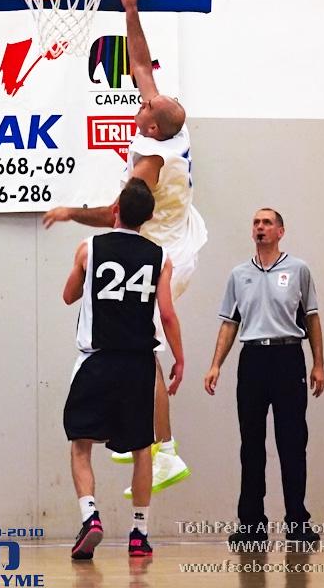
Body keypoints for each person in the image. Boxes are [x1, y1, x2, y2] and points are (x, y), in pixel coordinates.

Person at [44, 0, 207, 496]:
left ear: (152, 126)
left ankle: (165, 452)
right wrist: (130, 8)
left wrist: (70, 212)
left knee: (145, 348)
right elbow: (140, 63)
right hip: (168, 234)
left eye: (147, 103)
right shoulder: (163, 126)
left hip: (166, 250)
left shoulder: (152, 162)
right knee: (133, 346)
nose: (143, 96)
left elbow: (116, 213)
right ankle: (137, 432)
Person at [62, 178, 184, 559]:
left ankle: (90, 516)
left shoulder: (89, 248)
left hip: (97, 360)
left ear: (115, 210)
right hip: (138, 364)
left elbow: (68, 296)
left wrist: (85, 275)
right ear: (148, 218)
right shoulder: (160, 257)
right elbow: (167, 314)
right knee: (142, 449)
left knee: (81, 444)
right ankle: (139, 534)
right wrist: (179, 358)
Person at [204, 208, 324, 545]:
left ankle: (297, 523)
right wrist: (216, 364)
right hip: (253, 360)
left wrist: (318, 363)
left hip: (288, 358)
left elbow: (312, 318)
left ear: (280, 231)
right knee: (251, 445)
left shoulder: (298, 270)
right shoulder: (238, 274)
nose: (260, 227)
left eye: (267, 223)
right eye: (256, 223)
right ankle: (251, 526)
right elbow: (230, 323)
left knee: (292, 443)